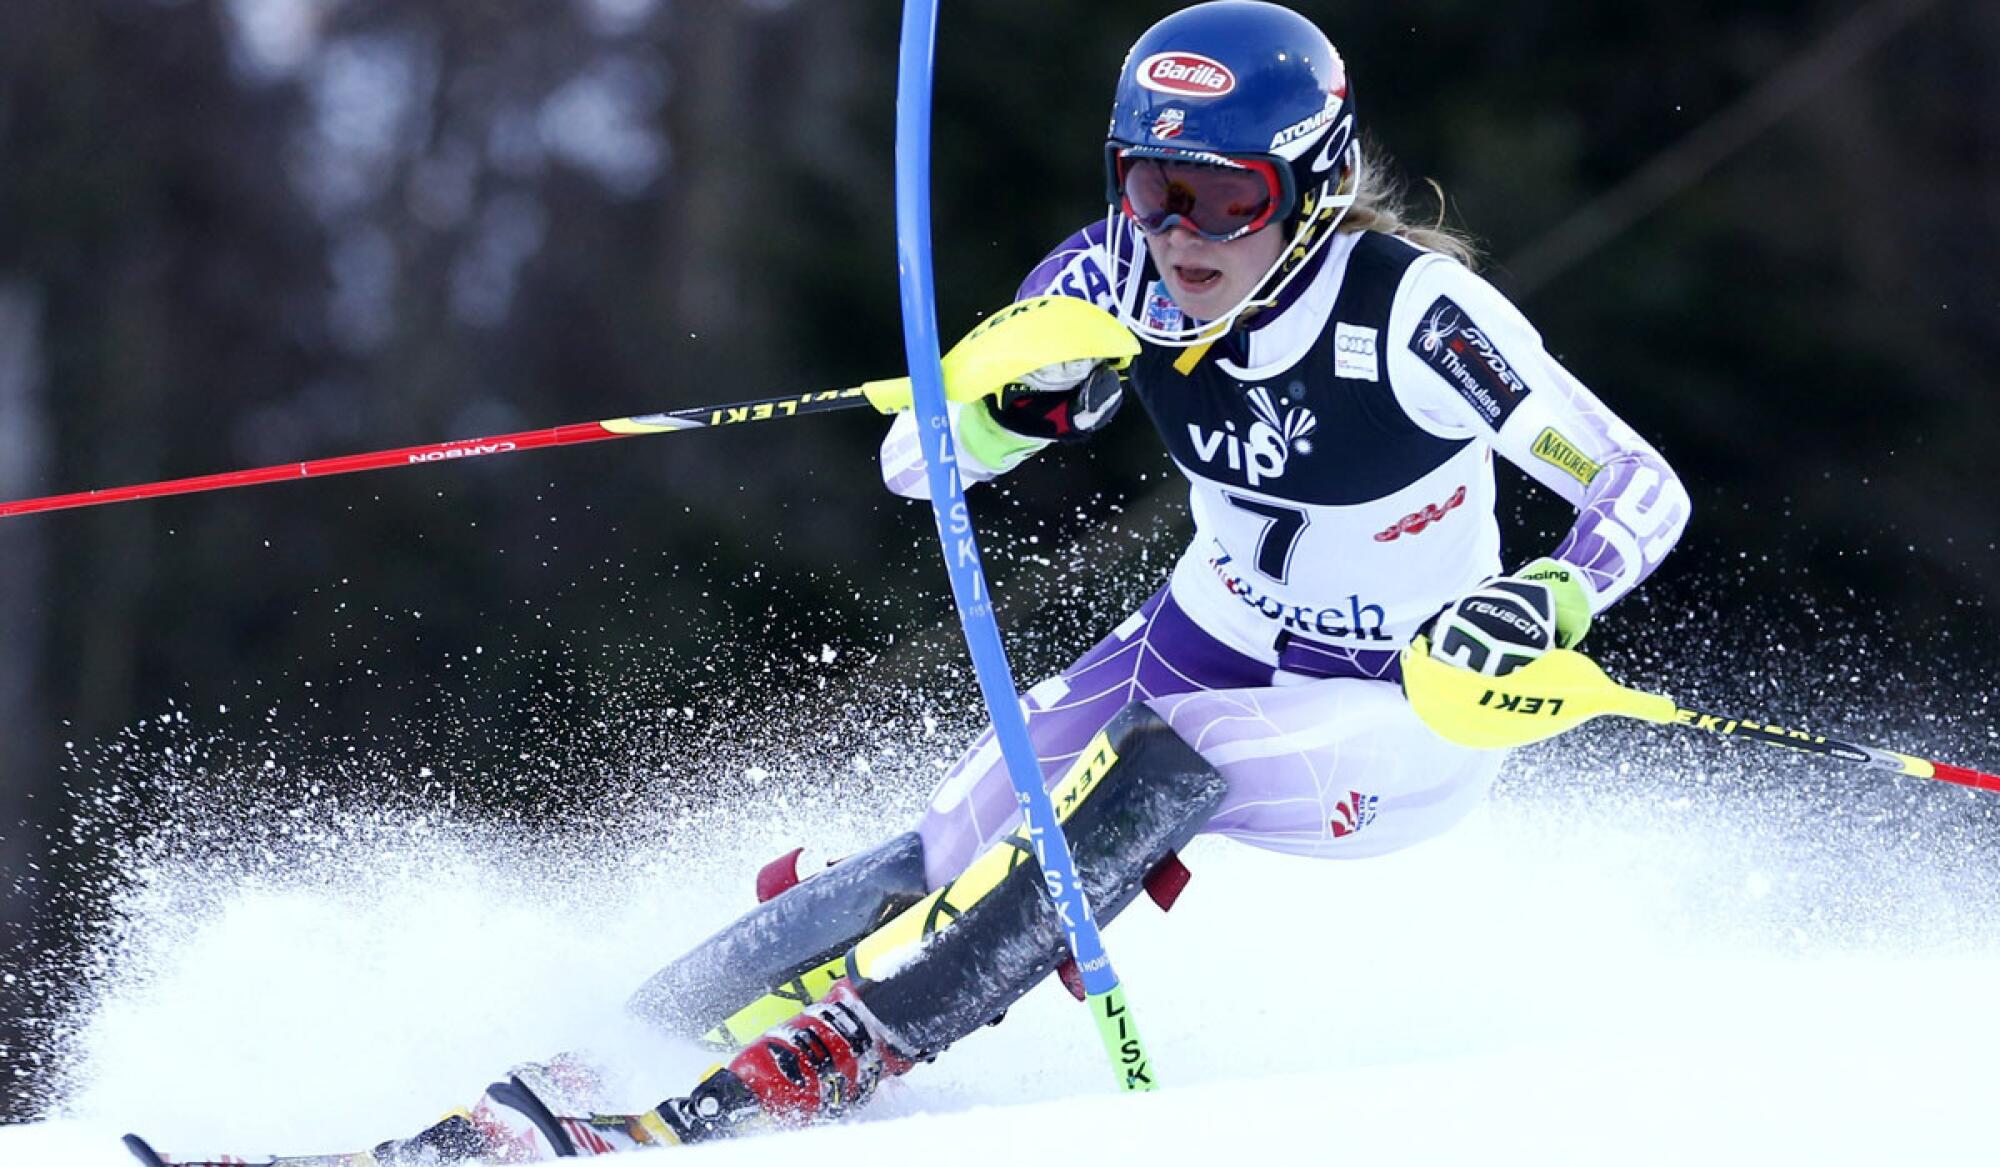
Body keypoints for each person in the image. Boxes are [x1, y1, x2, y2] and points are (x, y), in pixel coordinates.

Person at [123, 3, 1690, 1164]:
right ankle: (590, 1069)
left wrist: (1546, 598)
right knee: (947, 837)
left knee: (1165, 767)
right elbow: (913, 466)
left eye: (1228, 201)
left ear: (1313, 184)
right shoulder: (1105, 277)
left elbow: (1641, 485)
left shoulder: (1412, 312)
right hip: (1212, 632)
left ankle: (849, 1049)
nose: (1185, 235)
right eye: (1154, 187)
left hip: (1403, 712)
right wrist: (1009, 408)